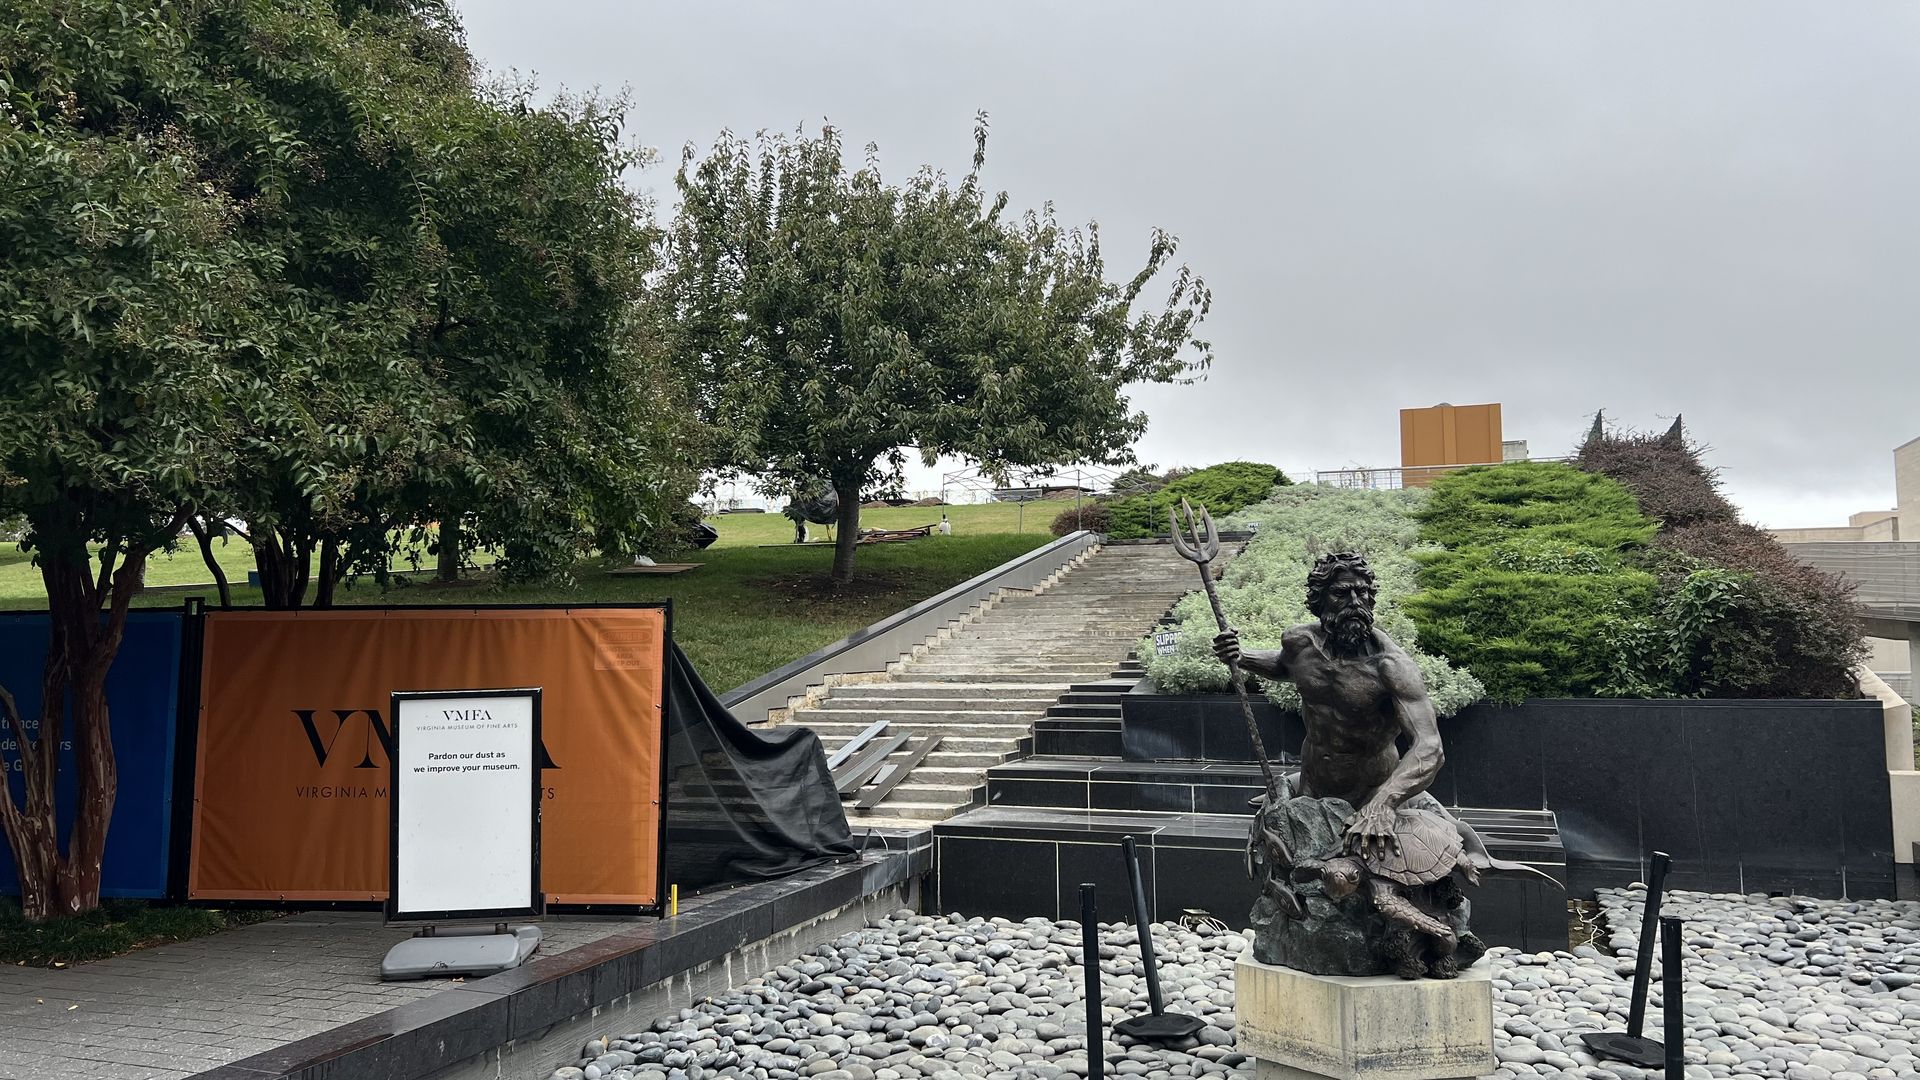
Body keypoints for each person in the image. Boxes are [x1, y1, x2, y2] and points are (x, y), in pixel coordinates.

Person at [1210, 551, 1443, 859]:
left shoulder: (1391, 667)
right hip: (1313, 788)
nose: (1355, 602)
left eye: (1363, 592)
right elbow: (1283, 667)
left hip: (1370, 796)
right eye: (1341, 593)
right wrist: (1241, 656)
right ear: (1319, 601)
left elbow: (1430, 747)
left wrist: (1383, 803)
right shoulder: (1300, 644)